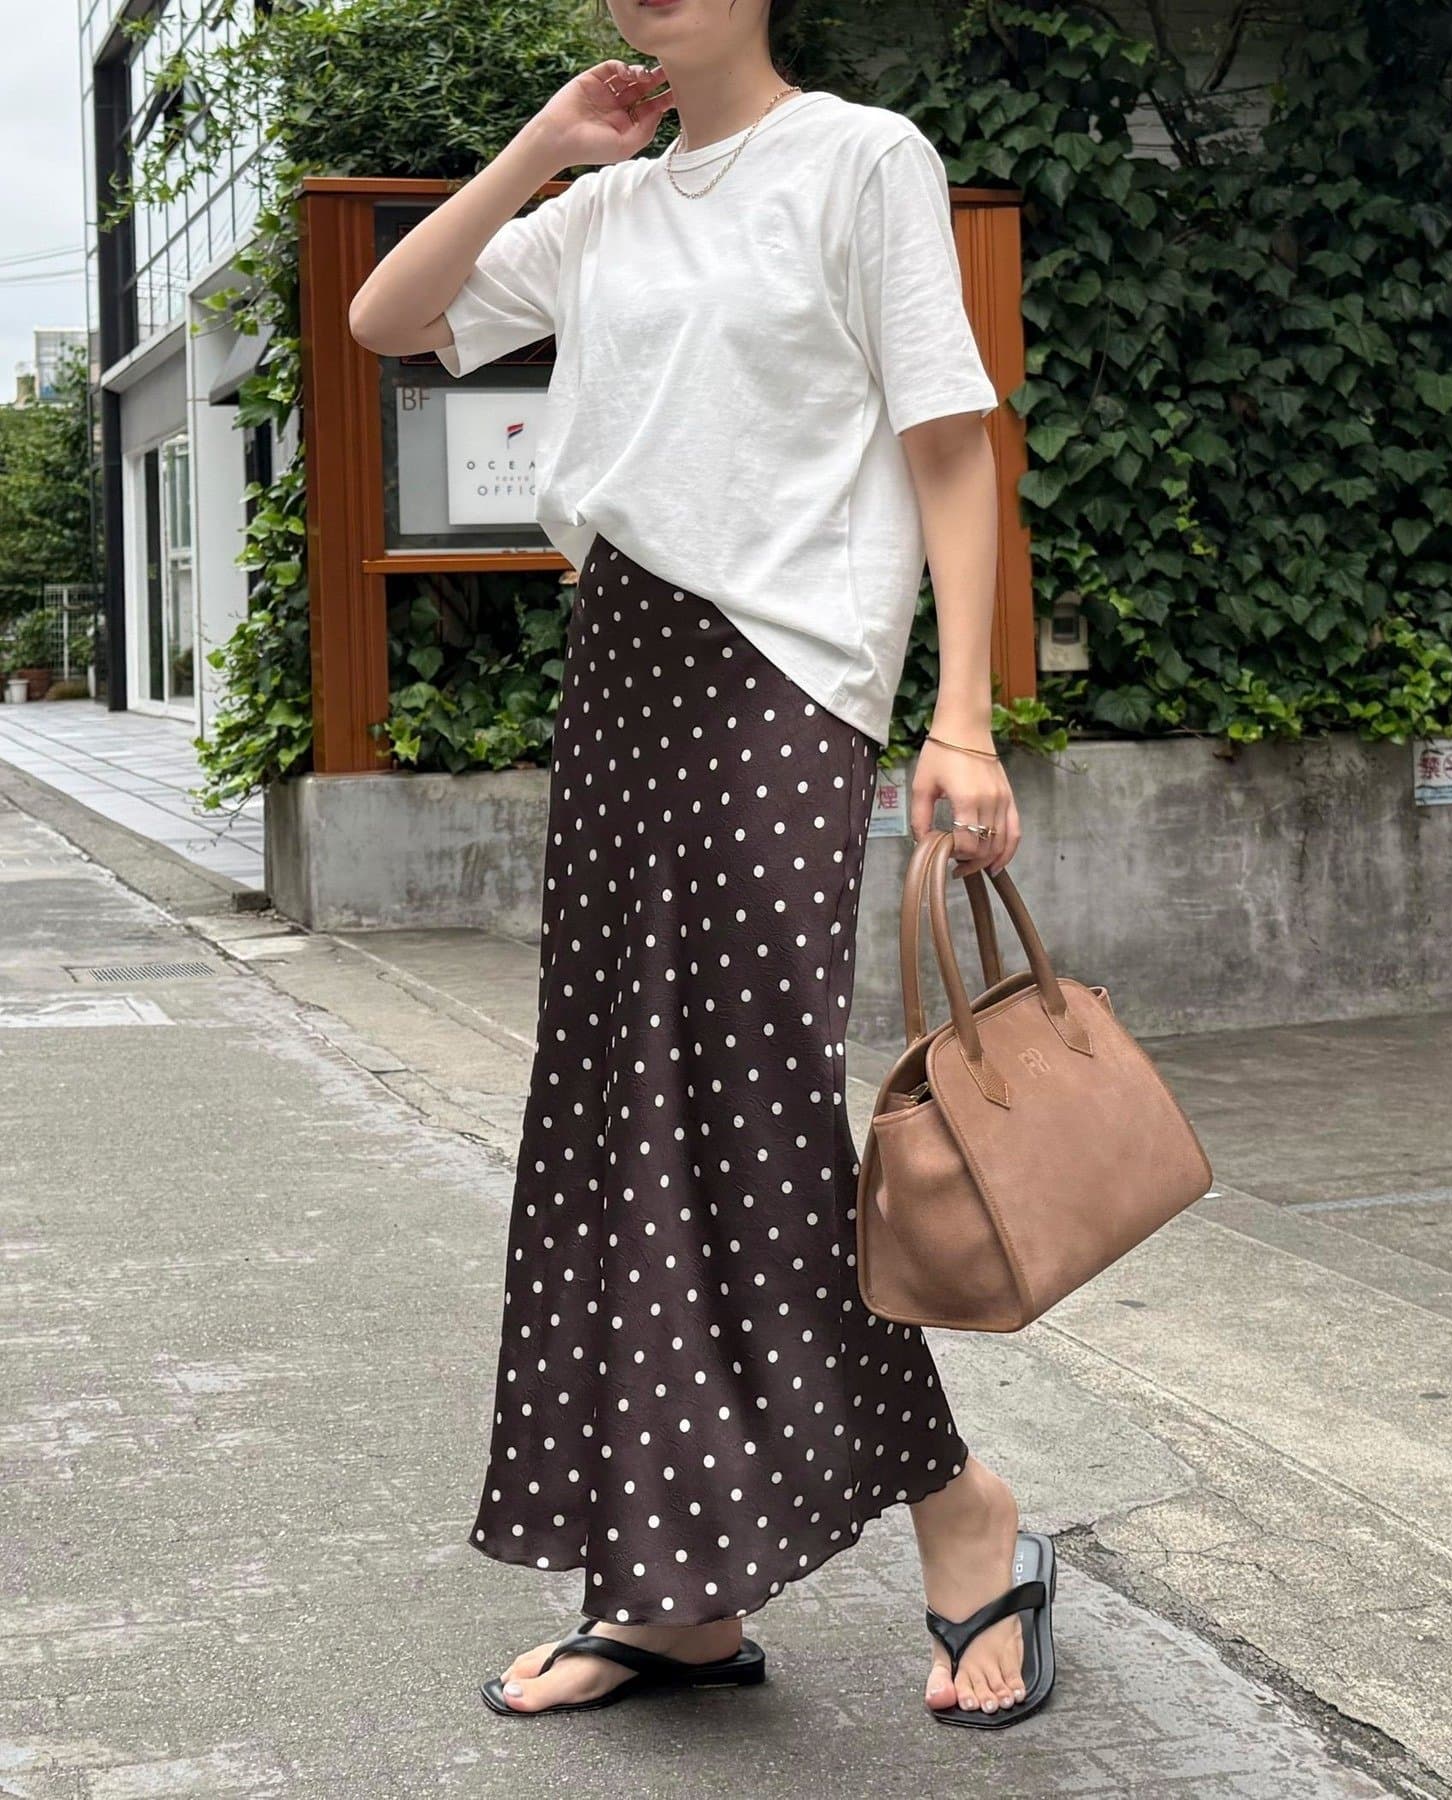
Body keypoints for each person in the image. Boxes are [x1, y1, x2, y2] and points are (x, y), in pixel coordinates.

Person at [349, 0, 1044, 1730]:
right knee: (616, 1111)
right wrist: (544, 146)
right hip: (622, 666)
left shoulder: (861, 159)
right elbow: (388, 317)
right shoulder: (602, 211)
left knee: (751, 1108)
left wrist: (961, 716)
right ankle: (676, 1599)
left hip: (784, 674)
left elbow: (947, 440)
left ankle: (961, 1506)